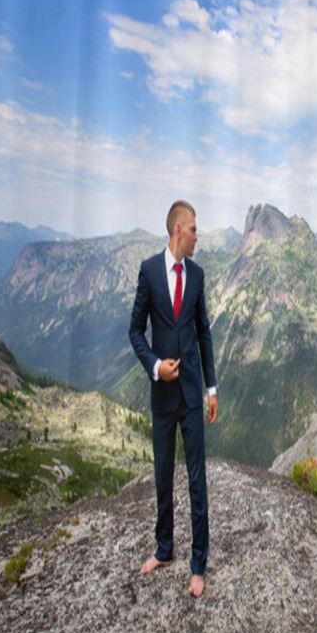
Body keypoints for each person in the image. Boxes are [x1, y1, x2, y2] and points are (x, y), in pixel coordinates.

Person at [129, 200, 218, 597]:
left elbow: (203, 333)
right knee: (162, 476)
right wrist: (154, 366)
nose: (199, 236)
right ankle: (164, 548)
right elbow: (135, 331)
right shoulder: (149, 271)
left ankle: (198, 563)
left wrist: (211, 388)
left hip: (193, 395)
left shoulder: (197, 276)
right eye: (195, 229)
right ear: (179, 229)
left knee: (197, 480)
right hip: (162, 394)